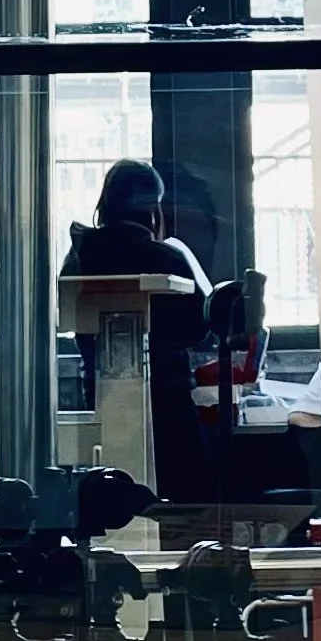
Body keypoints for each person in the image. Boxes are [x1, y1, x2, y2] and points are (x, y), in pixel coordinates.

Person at [62, 158, 269, 506]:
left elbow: (70, 320)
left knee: (113, 500)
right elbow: (200, 331)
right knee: (187, 500)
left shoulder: (80, 256)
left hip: (100, 400)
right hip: (167, 403)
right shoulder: (167, 258)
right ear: (153, 209)